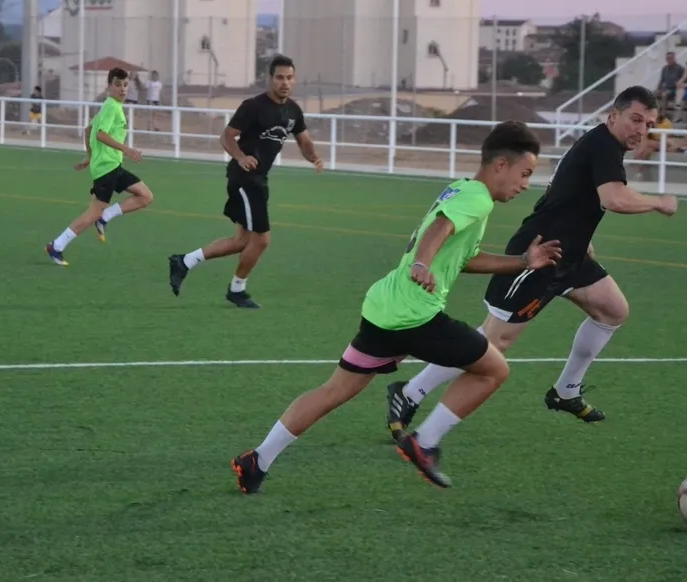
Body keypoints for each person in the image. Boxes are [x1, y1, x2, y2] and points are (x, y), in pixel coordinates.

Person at [230, 121, 562, 494]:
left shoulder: (461, 189)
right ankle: (425, 442)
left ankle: (257, 460)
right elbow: (439, 229)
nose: (525, 184)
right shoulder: (478, 198)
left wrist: (523, 261)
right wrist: (422, 262)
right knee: (494, 370)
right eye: (525, 174)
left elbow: (464, 257)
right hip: (414, 316)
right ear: (501, 165)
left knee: (334, 391)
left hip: (384, 309)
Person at [385, 86, 678, 442]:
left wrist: (581, 236)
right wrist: (658, 202)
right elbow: (614, 198)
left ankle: (566, 391)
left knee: (613, 310)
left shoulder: (603, 145)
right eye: (635, 119)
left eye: (648, 124)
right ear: (613, 116)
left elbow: (568, 191)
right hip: (540, 253)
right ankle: (410, 393)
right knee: (494, 342)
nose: (641, 130)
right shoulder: (603, 145)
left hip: (569, 254)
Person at [168, 54, 323, 309]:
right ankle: (237, 289)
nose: (285, 82)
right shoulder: (253, 106)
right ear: (270, 79)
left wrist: (313, 157)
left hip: (259, 179)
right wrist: (240, 157)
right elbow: (227, 137)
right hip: (244, 179)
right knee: (261, 239)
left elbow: (304, 141)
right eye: (280, 77)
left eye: (289, 78)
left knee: (242, 240)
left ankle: (184, 262)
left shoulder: (293, 110)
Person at [45, 67, 154, 266]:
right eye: (118, 85)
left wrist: (90, 156)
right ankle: (57, 246)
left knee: (145, 196)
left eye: (125, 85)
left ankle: (105, 217)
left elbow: (88, 130)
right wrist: (126, 149)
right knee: (93, 212)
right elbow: (100, 134)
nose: (123, 89)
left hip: (113, 165)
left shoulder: (111, 106)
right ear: (109, 86)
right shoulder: (111, 106)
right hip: (106, 169)